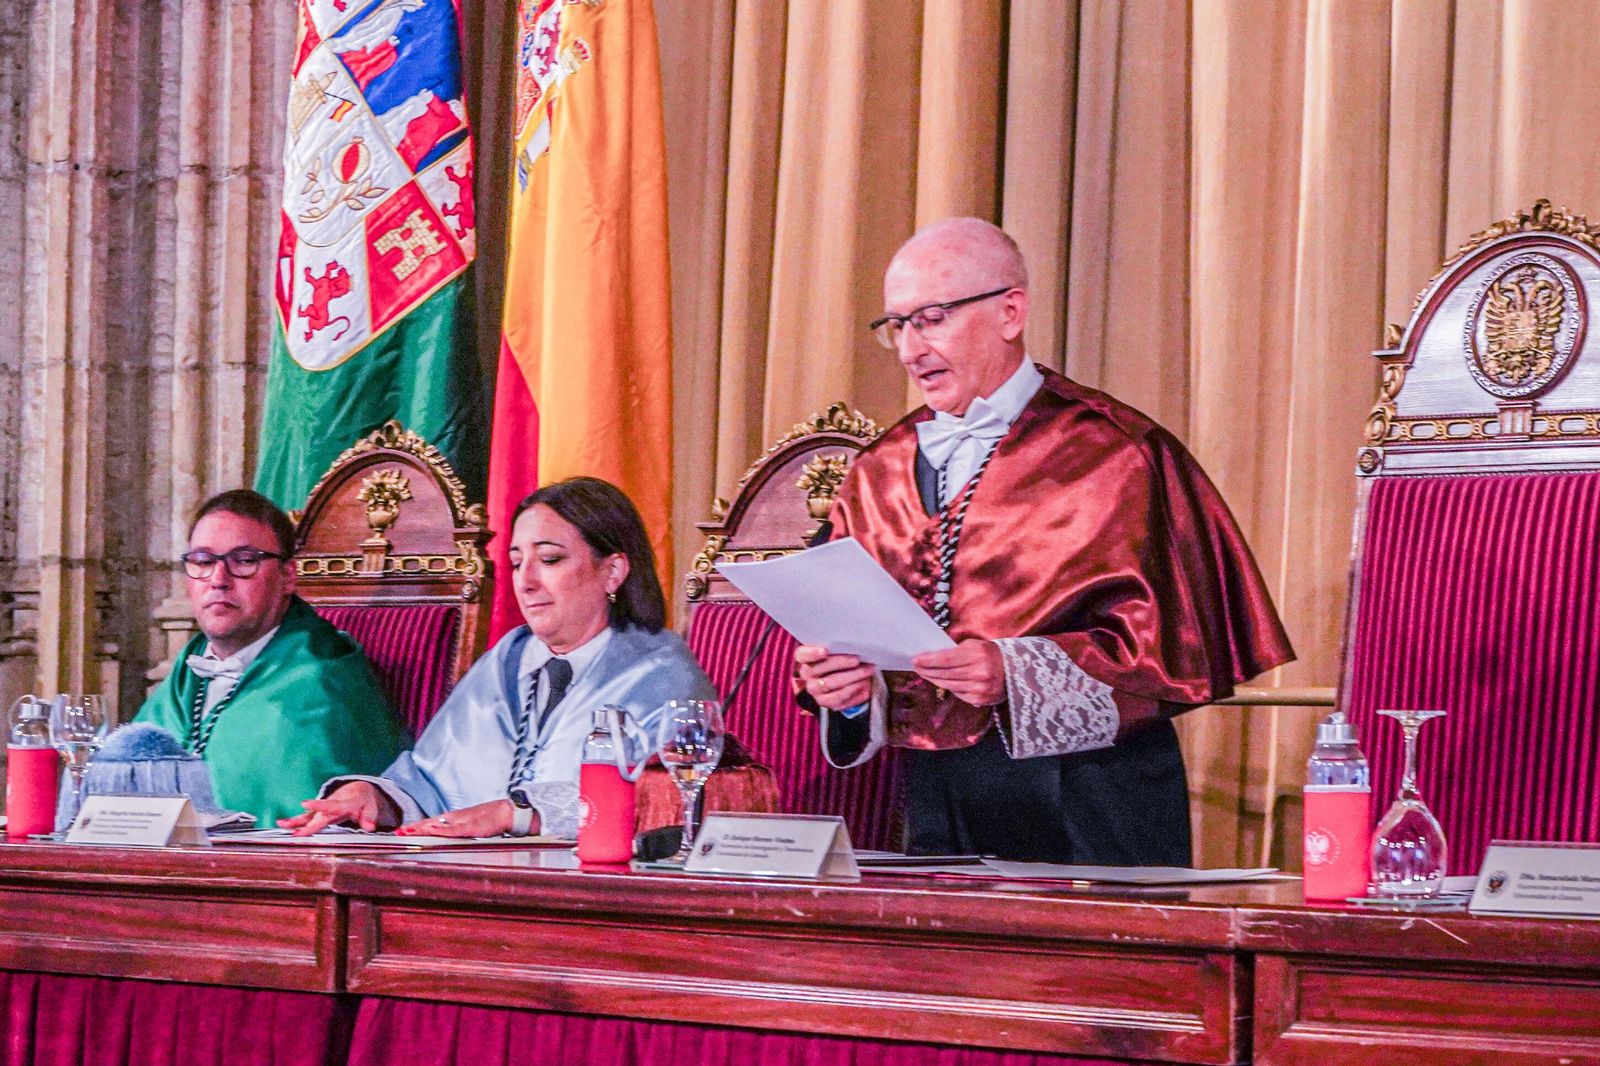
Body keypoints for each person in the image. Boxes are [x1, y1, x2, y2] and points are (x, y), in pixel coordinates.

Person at [795, 218, 1295, 864]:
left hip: (1092, 796)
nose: (911, 348)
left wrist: (1017, 672)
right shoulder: (877, 467)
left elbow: (1174, 652)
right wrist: (853, 692)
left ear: (1010, 312)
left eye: (933, 317)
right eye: (897, 325)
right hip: (933, 800)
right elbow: (862, 638)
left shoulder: (1120, 452)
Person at [281, 477, 716, 840]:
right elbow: (431, 782)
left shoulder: (661, 673)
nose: (525, 581)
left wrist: (520, 812)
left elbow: (664, 806)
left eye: (549, 559)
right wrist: (374, 799)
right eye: (515, 562)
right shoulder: (508, 658)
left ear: (613, 571)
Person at [135, 489, 405, 825]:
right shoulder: (187, 671)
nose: (218, 580)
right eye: (203, 561)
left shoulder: (320, 682)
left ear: (287, 577)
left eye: (245, 561)